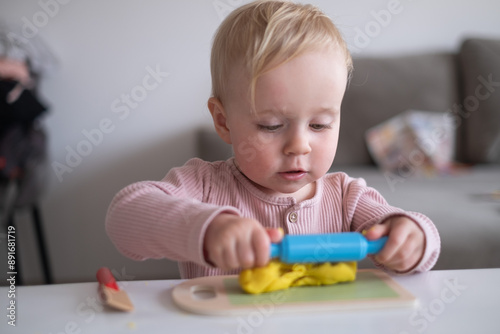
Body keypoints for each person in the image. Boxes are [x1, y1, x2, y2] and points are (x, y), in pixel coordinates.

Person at [105, 0, 440, 279]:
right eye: (270, 125)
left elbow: (418, 236)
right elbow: (124, 217)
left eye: (320, 124)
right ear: (223, 122)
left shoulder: (346, 197)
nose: (299, 146)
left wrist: (414, 238)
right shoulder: (204, 187)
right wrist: (207, 229)